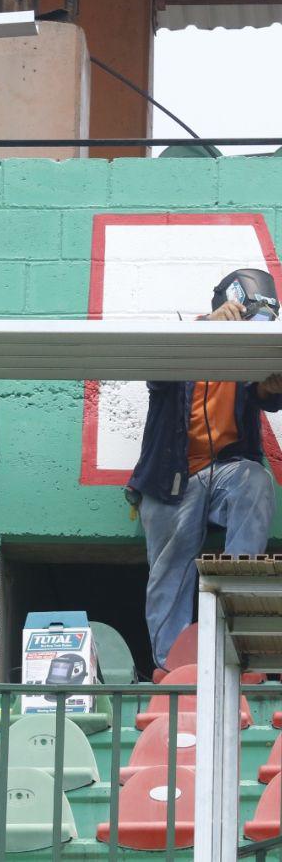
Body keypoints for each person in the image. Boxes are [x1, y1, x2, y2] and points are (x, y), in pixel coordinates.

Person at [128, 268, 282, 669]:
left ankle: (237, 647)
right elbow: (156, 373)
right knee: (170, 574)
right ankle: (172, 668)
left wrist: (272, 385)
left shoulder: (248, 355)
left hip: (224, 472)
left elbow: (267, 398)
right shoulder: (184, 342)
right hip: (170, 480)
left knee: (255, 479)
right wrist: (206, 329)